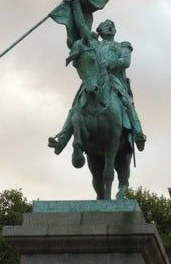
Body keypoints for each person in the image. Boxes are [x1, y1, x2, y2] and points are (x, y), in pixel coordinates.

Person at [48, 17, 146, 166]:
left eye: (112, 25)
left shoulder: (122, 45)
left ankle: (138, 132)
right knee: (76, 106)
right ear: (99, 31)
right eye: (106, 25)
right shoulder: (94, 45)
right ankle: (62, 139)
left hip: (115, 81)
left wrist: (109, 64)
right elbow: (82, 35)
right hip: (94, 80)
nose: (110, 27)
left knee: (126, 102)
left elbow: (126, 62)